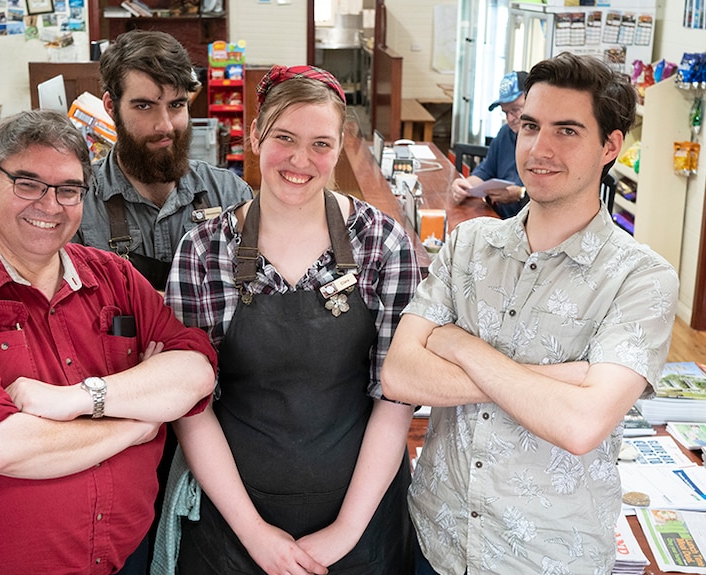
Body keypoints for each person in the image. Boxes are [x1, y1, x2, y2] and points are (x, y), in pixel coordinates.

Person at [0, 109, 218, 575]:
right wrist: (138, 423)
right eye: (28, 183)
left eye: (69, 190)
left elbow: (195, 369)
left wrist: (79, 399)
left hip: (127, 559)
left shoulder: (113, 276)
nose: (50, 205)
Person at [381, 52, 679, 575]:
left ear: (611, 146)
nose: (539, 149)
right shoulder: (469, 243)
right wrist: (554, 380)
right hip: (434, 538)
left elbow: (580, 424)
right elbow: (401, 374)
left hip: (546, 558)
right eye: (530, 126)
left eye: (567, 130)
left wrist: (458, 345)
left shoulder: (641, 278)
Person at [162, 65, 418, 575]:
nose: (301, 160)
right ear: (256, 136)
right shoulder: (204, 249)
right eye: (284, 137)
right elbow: (190, 405)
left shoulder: (381, 244)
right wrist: (255, 534)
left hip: (361, 522)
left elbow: (395, 401)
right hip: (230, 522)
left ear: (339, 145)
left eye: (320, 144)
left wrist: (344, 533)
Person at [74, 29, 253, 291]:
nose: (165, 126)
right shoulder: (79, 203)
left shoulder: (230, 195)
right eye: (144, 106)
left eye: (176, 105)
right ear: (111, 107)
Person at [450, 71, 529, 219]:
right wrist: (464, 186)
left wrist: (520, 194)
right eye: (505, 112)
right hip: (498, 219)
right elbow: (485, 172)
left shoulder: (545, 141)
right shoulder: (505, 134)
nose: (510, 118)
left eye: (516, 110)